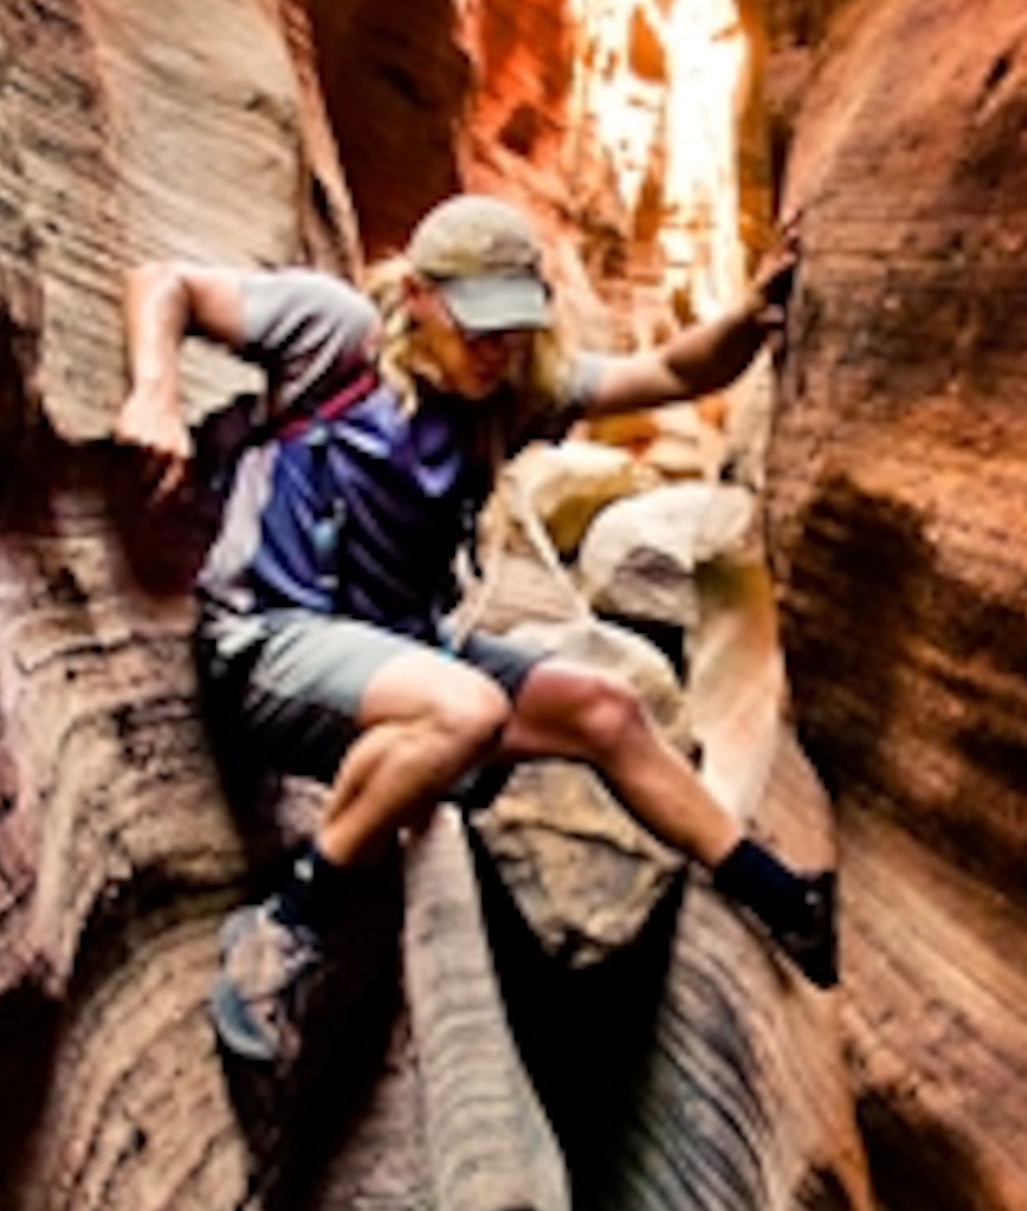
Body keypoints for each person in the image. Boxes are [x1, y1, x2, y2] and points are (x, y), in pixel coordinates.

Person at [115, 193, 836, 1064]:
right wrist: (154, 391)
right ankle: (285, 927)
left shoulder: (518, 391)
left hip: (400, 654)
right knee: (466, 710)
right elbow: (164, 283)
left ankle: (786, 903)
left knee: (606, 710)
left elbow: (674, 372)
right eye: (479, 328)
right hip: (270, 643)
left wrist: (751, 315)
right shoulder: (334, 332)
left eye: (516, 329)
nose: (498, 351)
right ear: (420, 296)